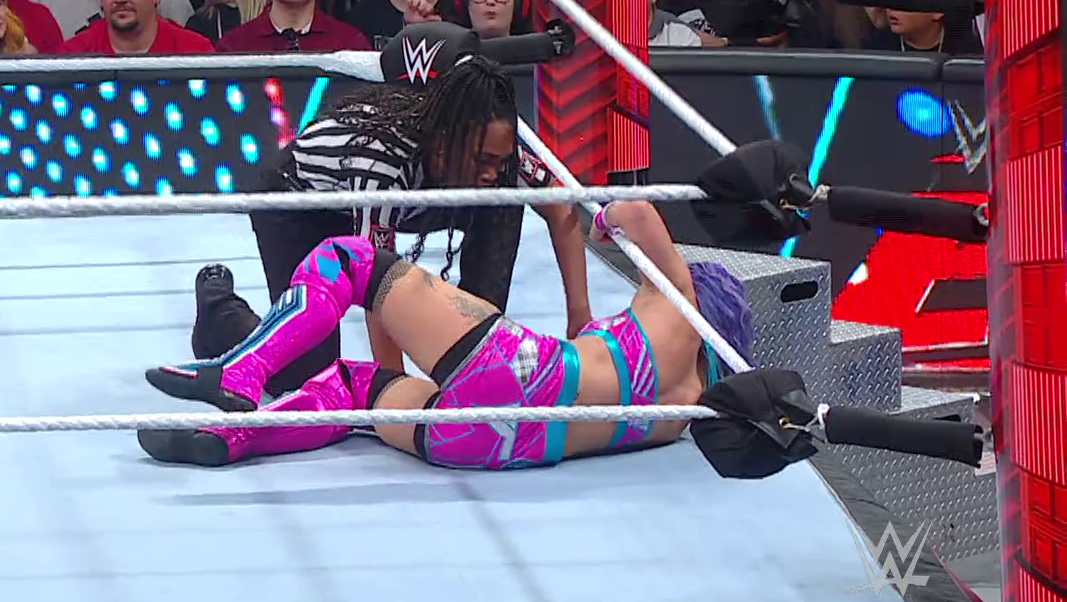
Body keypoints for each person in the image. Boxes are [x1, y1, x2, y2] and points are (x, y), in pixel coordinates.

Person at [141, 200, 754, 471]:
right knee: (352, 387)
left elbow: (636, 213)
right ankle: (233, 438)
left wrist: (604, 225)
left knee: (347, 260)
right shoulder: (686, 412)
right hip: (495, 449)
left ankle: (241, 372)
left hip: (528, 374)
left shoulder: (678, 307)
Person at [187, 23, 591, 399]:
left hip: (395, 192)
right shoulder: (383, 162)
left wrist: (580, 320)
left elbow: (561, 208)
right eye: (482, 159)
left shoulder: (492, 148)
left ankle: (477, 348)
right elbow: (377, 282)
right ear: (446, 142)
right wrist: (392, 390)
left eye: (497, 159)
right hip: (300, 204)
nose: (490, 171)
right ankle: (219, 312)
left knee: (503, 197)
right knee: (306, 376)